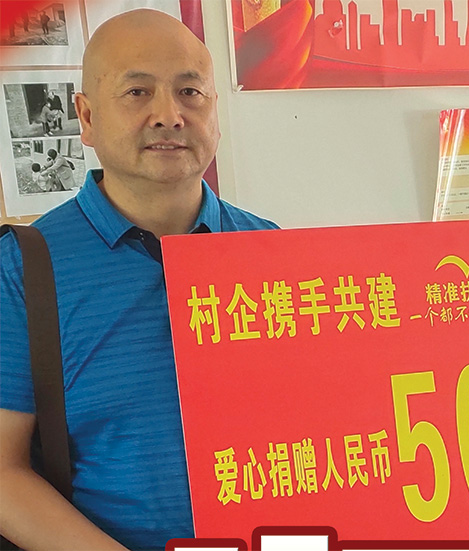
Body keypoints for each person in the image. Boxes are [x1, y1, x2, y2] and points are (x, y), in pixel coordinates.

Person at [0, 9, 278, 551]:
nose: (169, 115)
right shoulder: (23, 268)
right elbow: (4, 472)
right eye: (137, 92)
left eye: (190, 92)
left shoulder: (272, 250)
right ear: (85, 117)